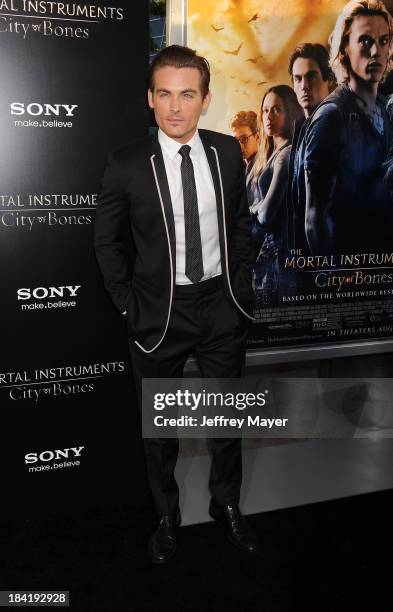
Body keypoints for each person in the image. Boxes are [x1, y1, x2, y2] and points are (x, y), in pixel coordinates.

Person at [94, 45, 257, 564]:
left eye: (187, 94)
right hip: (159, 314)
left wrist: (239, 285)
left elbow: (242, 225)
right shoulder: (125, 166)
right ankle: (167, 516)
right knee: (159, 429)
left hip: (221, 307)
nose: (175, 107)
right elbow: (107, 243)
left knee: (226, 420)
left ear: (205, 100)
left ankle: (226, 505)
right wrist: (128, 306)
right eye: (164, 94)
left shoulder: (228, 152)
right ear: (150, 98)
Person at [303, 0, 393, 255]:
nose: (376, 51)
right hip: (349, 275)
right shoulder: (332, 116)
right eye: (365, 40)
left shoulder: (387, 110)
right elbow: (313, 220)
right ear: (344, 47)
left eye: (384, 41)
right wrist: (337, 281)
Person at [248, 85, 302, 305]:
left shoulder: (286, 155)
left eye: (277, 109)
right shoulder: (270, 155)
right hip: (267, 253)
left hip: (280, 255)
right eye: (265, 110)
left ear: (290, 112)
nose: (268, 116)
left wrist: (251, 209)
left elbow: (266, 216)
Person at [287, 43, 335, 254]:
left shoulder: (328, 119)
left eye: (312, 76)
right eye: (298, 79)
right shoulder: (304, 127)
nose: (304, 85)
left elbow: (316, 216)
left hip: (328, 258)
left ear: (329, 79)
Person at [229, 111, 259, 202]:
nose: (239, 146)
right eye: (235, 141)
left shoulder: (263, 166)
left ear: (257, 137)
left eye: (244, 139)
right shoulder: (241, 167)